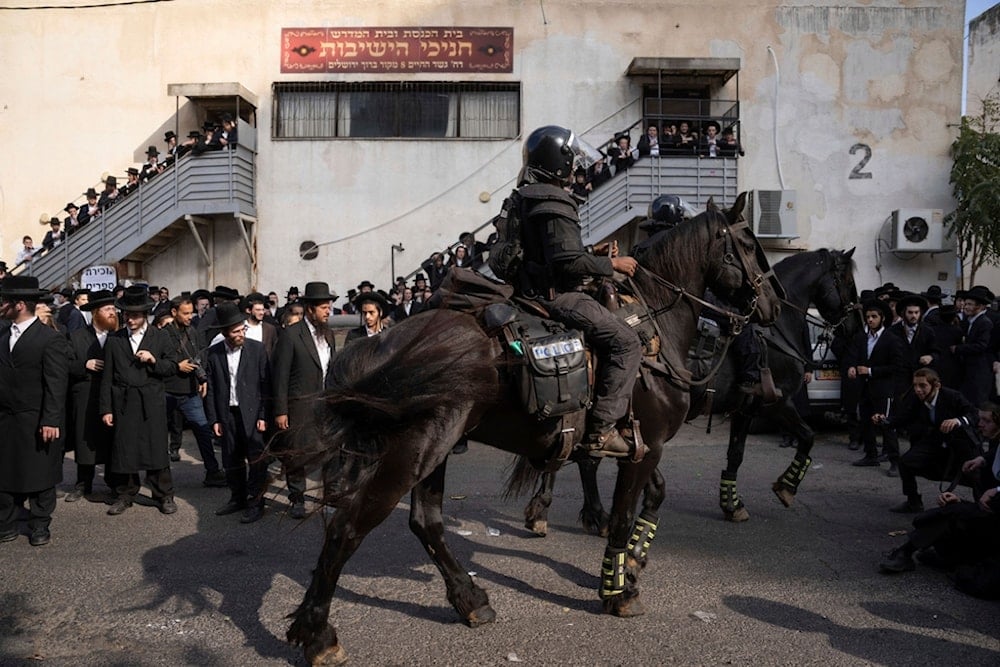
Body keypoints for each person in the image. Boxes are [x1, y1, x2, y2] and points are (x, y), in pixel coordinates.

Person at [513, 125, 642, 458]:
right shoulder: (555, 200)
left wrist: (591, 251)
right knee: (628, 342)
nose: (574, 167)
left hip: (525, 292)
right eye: (571, 160)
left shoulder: (525, 197)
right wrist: (614, 265)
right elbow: (567, 263)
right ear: (560, 162)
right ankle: (602, 430)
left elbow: (549, 251)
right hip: (558, 298)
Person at [878, 402, 1000, 577]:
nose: (980, 424)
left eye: (987, 421)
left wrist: (994, 491)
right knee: (948, 511)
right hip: (990, 514)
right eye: (981, 419)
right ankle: (938, 554)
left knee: (951, 514)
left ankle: (905, 552)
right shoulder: (992, 451)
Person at [0, 276, 69, 547]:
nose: (1, 305)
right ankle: (6, 521)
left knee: (40, 473)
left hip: (37, 418)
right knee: (5, 472)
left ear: (19, 305)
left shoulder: (49, 338)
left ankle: (40, 523)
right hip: (6, 419)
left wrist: (50, 418)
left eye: (4, 300)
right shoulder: (2, 334)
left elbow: (56, 382)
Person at [100, 286, 180, 516]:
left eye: (135, 315)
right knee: (124, 449)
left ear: (145, 315)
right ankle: (125, 494)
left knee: (155, 448)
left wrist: (153, 360)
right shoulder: (115, 339)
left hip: (151, 400)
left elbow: (172, 367)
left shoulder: (160, 336)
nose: (130, 319)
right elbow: (107, 378)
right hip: (123, 401)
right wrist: (106, 408)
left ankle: (164, 494)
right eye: (126, 314)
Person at [872, 368, 980, 513]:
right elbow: (904, 417)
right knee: (905, 462)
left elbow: (974, 413)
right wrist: (884, 421)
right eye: (915, 385)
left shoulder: (952, 396)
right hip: (935, 440)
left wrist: (958, 420)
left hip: (960, 442)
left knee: (976, 474)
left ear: (936, 385)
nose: (918, 390)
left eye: (922, 385)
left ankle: (983, 508)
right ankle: (913, 502)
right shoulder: (916, 398)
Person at [272, 281, 338, 518]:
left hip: (326, 405)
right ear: (311, 309)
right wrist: (280, 410)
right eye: (324, 307)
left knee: (331, 452)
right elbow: (279, 376)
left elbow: (331, 370)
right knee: (296, 454)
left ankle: (331, 496)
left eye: (329, 307)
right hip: (299, 405)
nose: (328, 311)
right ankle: (297, 498)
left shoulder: (329, 334)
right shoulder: (291, 335)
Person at [204, 302, 270, 524]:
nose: (240, 333)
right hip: (227, 414)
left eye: (242, 329)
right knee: (231, 458)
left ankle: (256, 501)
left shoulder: (257, 349)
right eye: (235, 331)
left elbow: (265, 385)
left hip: (252, 414)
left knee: (256, 459)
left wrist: (262, 415)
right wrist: (214, 419)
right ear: (224, 333)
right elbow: (211, 389)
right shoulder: (214, 353)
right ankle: (237, 498)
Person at [162, 296, 224, 483]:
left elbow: (200, 355)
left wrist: (202, 377)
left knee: (203, 430)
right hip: (166, 390)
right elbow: (158, 362)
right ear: (174, 313)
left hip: (189, 392)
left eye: (192, 312)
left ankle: (212, 471)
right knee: (157, 434)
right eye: (186, 313)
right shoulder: (161, 334)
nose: (190, 316)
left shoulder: (193, 332)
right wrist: (176, 366)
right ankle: (157, 474)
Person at [65, 290, 117, 502]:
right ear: (96, 313)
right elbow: (64, 364)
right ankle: (83, 483)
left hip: (111, 396)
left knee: (112, 439)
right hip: (85, 394)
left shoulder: (118, 336)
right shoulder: (76, 336)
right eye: (107, 310)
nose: (113, 313)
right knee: (84, 439)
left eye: (114, 309)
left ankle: (114, 483)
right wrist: (83, 364)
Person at [847, 300, 909, 472]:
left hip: (883, 389)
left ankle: (895, 461)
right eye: (868, 317)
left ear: (882, 318)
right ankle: (871, 455)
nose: (870, 320)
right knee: (866, 423)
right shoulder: (862, 337)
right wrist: (852, 367)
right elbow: (853, 354)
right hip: (865, 388)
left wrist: (871, 371)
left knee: (886, 424)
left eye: (874, 317)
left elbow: (897, 367)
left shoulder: (891, 339)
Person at [951, 285, 995, 408]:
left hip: (978, 371)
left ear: (979, 306)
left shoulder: (984, 323)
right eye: (966, 303)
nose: (966, 307)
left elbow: (981, 345)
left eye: (970, 304)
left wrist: (958, 349)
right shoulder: (968, 321)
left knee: (976, 403)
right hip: (967, 370)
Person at [889, 292, 939, 374]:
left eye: (916, 312)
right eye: (910, 312)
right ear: (904, 313)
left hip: (920, 375)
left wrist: (931, 357)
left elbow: (936, 352)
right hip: (899, 376)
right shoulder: (892, 331)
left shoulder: (927, 331)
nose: (914, 316)